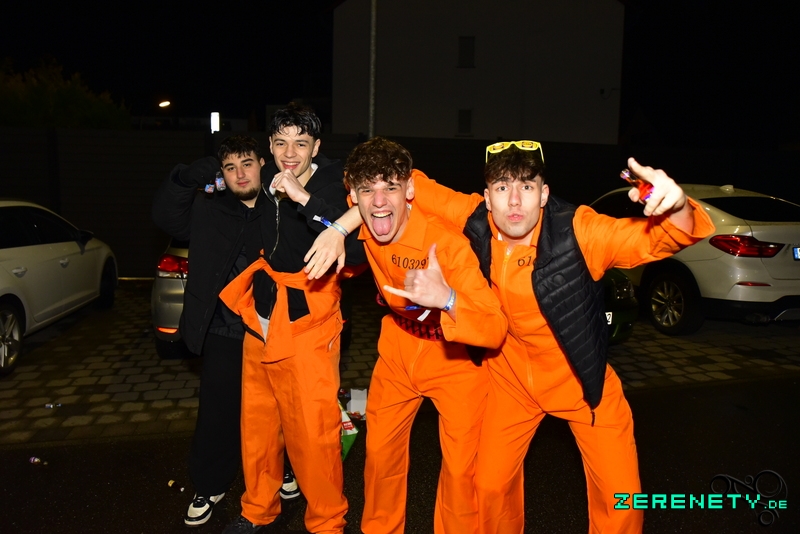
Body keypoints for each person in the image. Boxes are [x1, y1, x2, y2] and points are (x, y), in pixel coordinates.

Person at [307, 141, 715, 533]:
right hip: (511, 382)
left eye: (527, 187)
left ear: (544, 194)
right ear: (487, 197)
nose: (514, 201)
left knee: (621, 498)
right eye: (502, 188)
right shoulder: (473, 217)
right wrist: (339, 228)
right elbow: (385, 187)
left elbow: (661, 239)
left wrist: (678, 207)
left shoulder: (580, 231)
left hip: (579, 381)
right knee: (488, 487)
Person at [341, 137, 508, 534]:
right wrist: (335, 230)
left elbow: (494, 326)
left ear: (410, 190)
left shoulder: (447, 245)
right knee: (380, 454)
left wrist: (448, 299)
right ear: (353, 196)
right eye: (367, 190)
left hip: (456, 358)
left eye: (390, 187)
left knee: (461, 471)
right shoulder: (364, 225)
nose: (379, 201)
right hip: (397, 350)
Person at [218, 104, 365, 534]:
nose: (289, 153)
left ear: (316, 147)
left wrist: (306, 200)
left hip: (309, 322)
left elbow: (359, 238)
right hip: (261, 317)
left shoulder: (335, 184)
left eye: (301, 144)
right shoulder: (266, 182)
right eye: (281, 143)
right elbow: (220, 187)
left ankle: (327, 522)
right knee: (258, 426)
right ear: (269, 145)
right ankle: (257, 509)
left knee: (313, 434)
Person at [152, 135, 268, 526]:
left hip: (272, 329)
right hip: (224, 329)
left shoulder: (280, 206)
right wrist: (183, 179)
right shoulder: (208, 205)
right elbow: (167, 219)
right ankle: (210, 484)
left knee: (279, 411)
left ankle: (284, 469)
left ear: (262, 164)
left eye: (247, 163)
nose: (240, 174)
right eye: (230, 167)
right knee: (218, 414)